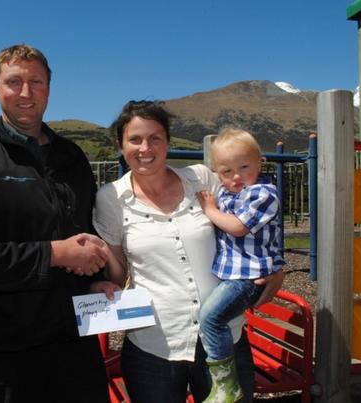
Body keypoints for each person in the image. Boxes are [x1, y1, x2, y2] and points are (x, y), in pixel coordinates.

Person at [0, 44, 111, 403]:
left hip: (73, 344)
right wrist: (54, 254)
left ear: (49, 87)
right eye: (14, 82)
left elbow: (85, 232)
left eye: (37, 81)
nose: (26, 92)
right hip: (0, 349)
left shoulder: (71, 156)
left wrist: (99, 278)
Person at [91, 100, 284, 403]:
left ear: (168, 142)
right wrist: (103, 281)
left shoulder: (201, 179)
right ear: (120, 145)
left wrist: (275, 267)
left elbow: (252, 220)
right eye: (135, 139)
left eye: (155, 138)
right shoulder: (111, 197)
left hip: (224, 339)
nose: (146, 148)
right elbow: (118, 269)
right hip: (154, 346)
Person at [195, 128, 285, 402]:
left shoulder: (263, 194)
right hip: (235, 275)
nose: (236, 176)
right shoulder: (225, 191)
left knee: (211, 319)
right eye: (226, 171)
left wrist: (210, 210)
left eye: (244, 166)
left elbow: (237, 227)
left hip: (249, 277)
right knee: (214, 319)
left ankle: (225, 384)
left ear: (259, 162)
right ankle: (225, 382)